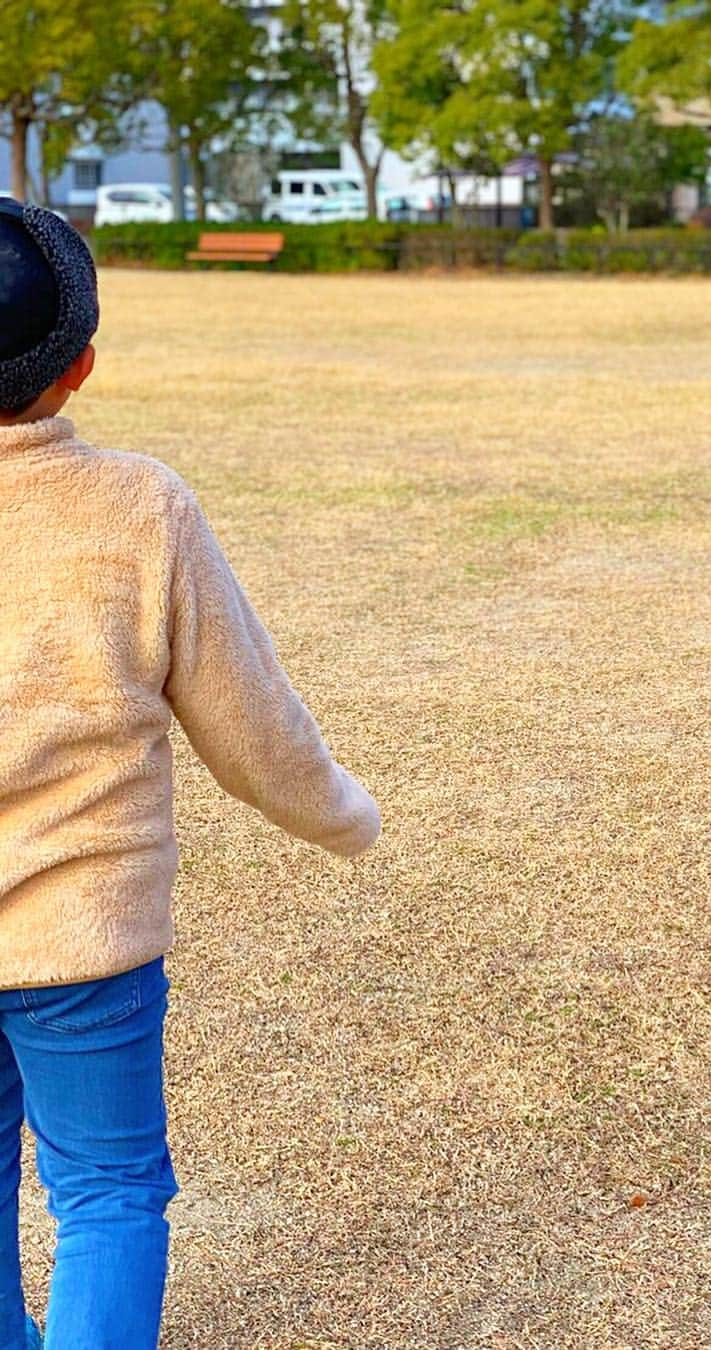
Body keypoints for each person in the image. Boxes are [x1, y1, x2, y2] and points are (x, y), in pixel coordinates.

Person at [0, 198, 380, 1349]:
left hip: (78, 934)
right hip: (84, 934)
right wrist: (342, 817)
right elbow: (250, 726)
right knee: (108, 1195)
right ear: (83, 366)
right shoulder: (136, 506)